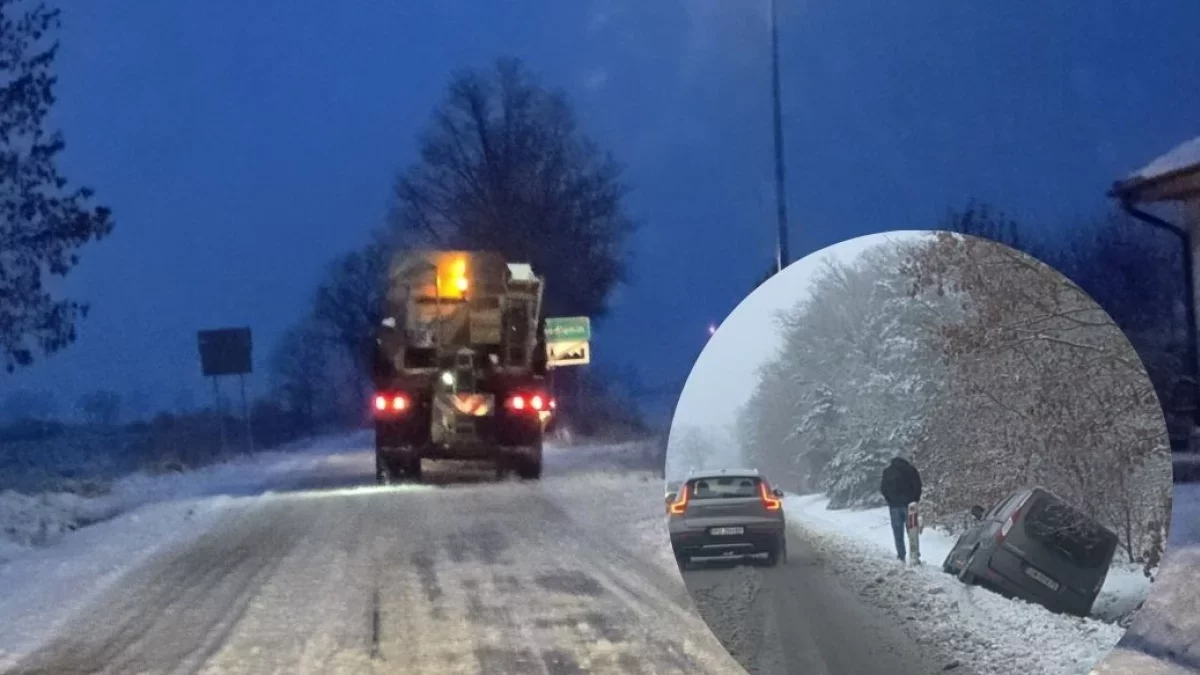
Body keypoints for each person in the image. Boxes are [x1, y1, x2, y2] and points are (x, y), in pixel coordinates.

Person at [880, 456, 922, 562]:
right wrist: (915, 500)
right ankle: (914, 556)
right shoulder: (911, 470)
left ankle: (901, 555)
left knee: (898, 533)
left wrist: (890, 500)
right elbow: (918, 486)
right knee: (912, 532)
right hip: (910, 506)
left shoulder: (888, 471)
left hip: (894, 506)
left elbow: (883, 488)